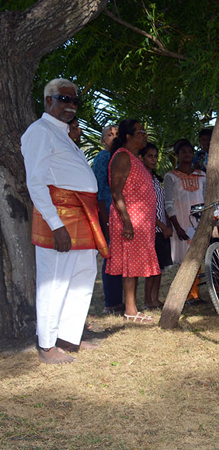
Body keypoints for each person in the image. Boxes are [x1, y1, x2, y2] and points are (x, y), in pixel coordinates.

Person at [22, 78, 109, 363]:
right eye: (64, 99)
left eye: (74, 101)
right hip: (58, 217)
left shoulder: (63, 134)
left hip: (82, 214)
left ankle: (69, 340)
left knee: (82, 277)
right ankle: (47, 347)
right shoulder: (40, 131)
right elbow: (36, 182)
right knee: (54, 280)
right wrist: (55, 225)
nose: (71, 106)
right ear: (48, 101)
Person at [107, 120, 160, 324]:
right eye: (141, 132)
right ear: (129, 136)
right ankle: (130, 310)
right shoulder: (121, 156)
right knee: (130, 266)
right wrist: (127, 222)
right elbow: (116, 191)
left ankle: (132, 308)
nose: (145, 135)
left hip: (141, 222)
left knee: (135, 266)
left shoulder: (134, 158)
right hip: (129, 221)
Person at [164, 139, 207, 302]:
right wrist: (177, 227)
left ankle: (195, 294)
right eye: (183, 151)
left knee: (196, 257)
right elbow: (168, 204)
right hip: (180, 222)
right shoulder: (170, 176)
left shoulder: (202, 175)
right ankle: (186, 295)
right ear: (177, 155)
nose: (187, 154)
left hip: (198, 222)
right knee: (185, 260)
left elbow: (206, 199)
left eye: (190, 151)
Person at [91, 124, 124, 314]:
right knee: (110, 257)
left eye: (117, 134)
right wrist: (105, 221)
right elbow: (101, 192)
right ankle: (111, 302)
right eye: (110, 135)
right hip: (108, 212)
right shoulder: (103, 157)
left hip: (122, 214)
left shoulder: (123, 157)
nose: (113, 137)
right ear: (103, 140)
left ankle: (120, 300)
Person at [139, 143, 172, 309]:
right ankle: (147, 300)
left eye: (155, 156)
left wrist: (167, 224)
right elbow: (146, 209)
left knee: (159, 266)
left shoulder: (156, 179)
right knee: (151, 267)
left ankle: (155, 298)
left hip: (162, 228)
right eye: (149, 156)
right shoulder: (142, 179)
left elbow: (162, 205)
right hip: (151, 229)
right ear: (142, 158)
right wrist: (162, 226)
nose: (153, 159)